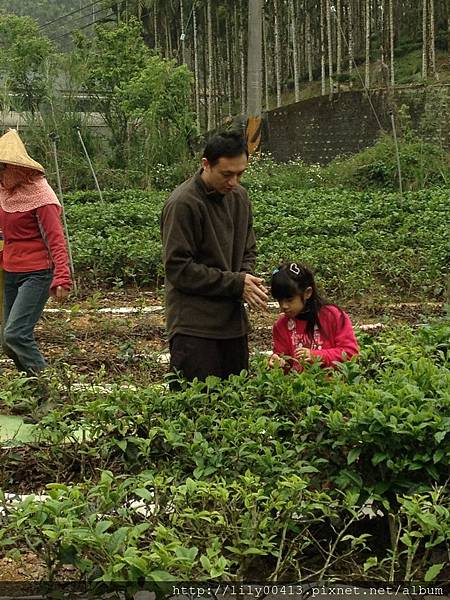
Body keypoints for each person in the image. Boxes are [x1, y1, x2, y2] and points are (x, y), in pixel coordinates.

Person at [161, 130, 268, 383]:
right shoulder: (184, 203)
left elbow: (248, 249)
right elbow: (179, 269)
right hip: (194, 327)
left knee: (234, 406)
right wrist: (236, 283)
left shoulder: (239, 197)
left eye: (240, 174)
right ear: (205, 165)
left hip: (233, 325)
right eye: (226, 174)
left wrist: (246, 277)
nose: (233, 182)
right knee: (197, 409)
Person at [0, 129, 72, 389]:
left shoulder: (42, 197)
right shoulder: (4, 192)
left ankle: (49, 394)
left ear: (16, 168)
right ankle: (34, 394)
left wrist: (62, 276)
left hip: (37, 272)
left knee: (16, 334)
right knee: (7, 341)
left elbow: (56, 239)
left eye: (2, 169)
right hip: (10, 270)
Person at [269, 262, 359, 372]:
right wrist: (278, 363)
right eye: (279, 300)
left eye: (289, 300)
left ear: (307, 292)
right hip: (301, 387)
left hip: (334, 386)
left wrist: (316, 356)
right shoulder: (281, 326)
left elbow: (351, 354)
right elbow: (285, 363)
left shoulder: (332, 316)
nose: (284, 306)